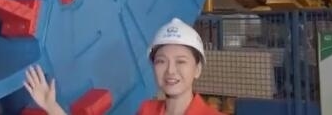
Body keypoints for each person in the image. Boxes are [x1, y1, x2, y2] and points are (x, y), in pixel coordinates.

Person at [23, 18, 220, 115]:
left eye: (181, 61)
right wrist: (51, 106)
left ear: (197, 69)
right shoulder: (147, 110)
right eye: (161, 61)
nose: (170, 70)